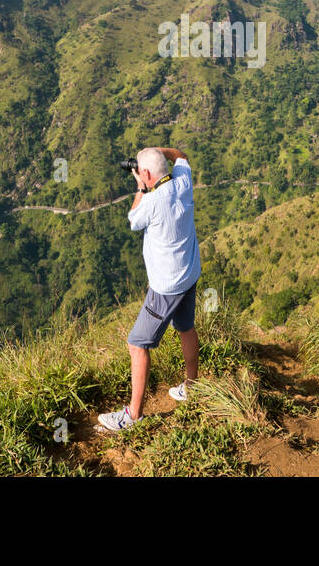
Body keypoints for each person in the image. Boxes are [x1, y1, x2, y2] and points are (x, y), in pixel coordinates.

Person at [97, 146, 201, 432]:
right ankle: (192, 386)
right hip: (189, 273)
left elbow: (133, 220)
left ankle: (133, 416)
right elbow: (182, 156)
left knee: (137, 344)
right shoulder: (183, 180)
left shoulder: (151, 202)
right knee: (186, 327)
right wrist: (160, 151)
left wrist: (141, 189)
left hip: (165, 287)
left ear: (145, 174)